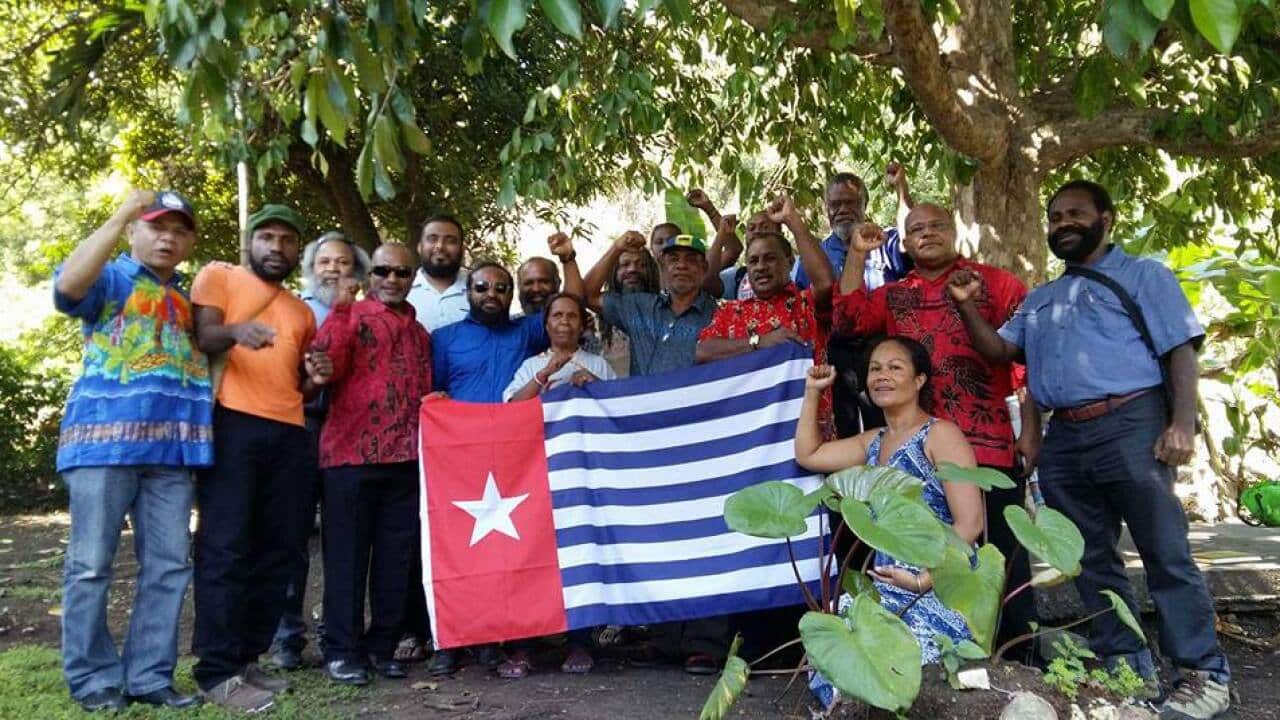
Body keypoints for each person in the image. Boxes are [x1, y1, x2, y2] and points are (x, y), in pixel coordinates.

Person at [951, 180, 1230, 720]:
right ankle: (1128, 669)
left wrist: (1182, 424)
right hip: (1066, 438)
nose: (1063, 224)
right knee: (1088, 560)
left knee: (1164, 551)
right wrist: (966, 307)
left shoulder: (1144, 275)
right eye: (1055, 216)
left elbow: (1180, 350)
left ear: (1107, 219)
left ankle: (1202, 675)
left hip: (1132, 423)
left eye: (1075, 214)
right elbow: (1000, 350)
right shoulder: (1041, 299)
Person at [831, 202, 1040, 660]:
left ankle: (1021, 659)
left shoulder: (997, 283)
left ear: (955, 231)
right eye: (917, 229)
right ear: (905, 243)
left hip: (988, 447)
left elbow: (1028, 358)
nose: (927, 234)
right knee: (932, 557)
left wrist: (1031, 431)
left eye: (937, 225)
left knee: (1001, 556)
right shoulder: (895, 295)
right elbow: (847, 321)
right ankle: (947, 656)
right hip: (918, 456)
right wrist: (857, 254)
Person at [53, 190, 211, 712]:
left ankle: (149, 677)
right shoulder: (112, 278)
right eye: (156, 227)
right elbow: (66, 288)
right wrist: (120, 212)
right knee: (91, 565)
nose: (168, 238)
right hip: (103, 446)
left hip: (171, 454)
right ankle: (94, 678)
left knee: (169, 566)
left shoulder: (185, 297)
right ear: (133, 232)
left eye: (180, 231)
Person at [190, 204, 331, 713]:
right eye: (267, 237)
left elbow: (297, 384)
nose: (277, 247)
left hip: (290, 432)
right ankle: (215, 671)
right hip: (233, 424)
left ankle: (247, 658)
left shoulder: (302, 311)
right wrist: (236, 332)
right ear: (250, 241)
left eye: (287, 240)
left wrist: (316, 378)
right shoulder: (219, 277)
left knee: (280, 551)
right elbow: (204, 335)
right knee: (225, 548)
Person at [426, 235, 582, 675]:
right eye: (482, 287)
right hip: (460, 456)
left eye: (501, 288)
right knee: (461, 547)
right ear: (468, 292)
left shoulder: (525, 330)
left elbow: (573, 301)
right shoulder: (444, 338)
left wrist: (567, 258)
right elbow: (434, 390)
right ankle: (455, 640)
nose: (491, 294)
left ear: (512, 295)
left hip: (518, 455)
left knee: (508, 548)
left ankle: (498, 638)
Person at [793, 337, 984, 664]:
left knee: (899, 662)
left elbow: (971, 524)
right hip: (887, 584)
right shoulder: (874, 441)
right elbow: (809, 455)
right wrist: (813, 391)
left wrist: (923, 580)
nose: (882, 376)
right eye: (875, 369)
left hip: (942, 584)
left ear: (919, 380)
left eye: (895, 368)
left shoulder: (941, 435)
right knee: (838, 648)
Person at [311, 243, 436, 686]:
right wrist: (342, 309)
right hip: (350, 457)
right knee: (346, 560)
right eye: (383, 271)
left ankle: (382, 647)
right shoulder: (353, 316)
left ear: (413, 277)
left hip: (406, 460)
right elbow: (325, 364)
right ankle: (342, 651)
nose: (392, 279)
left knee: (394, 561)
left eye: (402, 272)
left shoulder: (420, 333)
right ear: (370, 275)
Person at [496, 292, 614, 678]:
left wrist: (593, 383)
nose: (564, 322)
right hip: (536, 472)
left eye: (572, 316)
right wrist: (546, 373)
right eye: (557, 315)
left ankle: (580, 642)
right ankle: (524, 646)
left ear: (583, 324)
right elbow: (511, 409)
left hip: (583, 474)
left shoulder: (598, 363)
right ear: (546, 323)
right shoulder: (531, 364)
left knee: (580, 555)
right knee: (531, 554)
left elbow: (617, 408)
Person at [272, 231, 370, 670]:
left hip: (352, 432)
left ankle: (340, 635)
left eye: (343, 262)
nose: (333, 269)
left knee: (345, 538)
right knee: (291, 535)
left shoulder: (369, 315)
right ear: (311, 270)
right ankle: (286, 638)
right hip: (302, 426)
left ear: (358, 271)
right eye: (325, 262)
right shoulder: (294, 311)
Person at [695, 194, 836, 437]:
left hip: (811, 436)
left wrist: (792, 220)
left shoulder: (805, 304)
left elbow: (825, 283)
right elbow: (703, 352)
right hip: (751, 439)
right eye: (753, 261)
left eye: (770, 258)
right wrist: (759, 342)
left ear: (789, 262)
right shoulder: (731, 311)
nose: (760, 267)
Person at [805, 167, 914, 438]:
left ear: (865, 205)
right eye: (835, 204)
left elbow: (909, 238)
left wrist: (901, 188)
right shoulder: (815, 254)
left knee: (889, 431)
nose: (842, 210)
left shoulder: (885, 240)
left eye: (850, 203)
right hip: (835, 356)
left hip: (884, 352)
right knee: (843, 434)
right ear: (826, 209)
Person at [584, 231, 717, 377]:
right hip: (641, 393)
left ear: (704, 268)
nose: (681, 265)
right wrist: (616, 248)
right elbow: (588, 296)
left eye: (690, 260)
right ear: (663, 267)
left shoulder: (718, 316)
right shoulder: (640, 306)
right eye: (673, 259)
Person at [597, 241, 661, 377]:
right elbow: (586, 295)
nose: (632, 269)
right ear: (613, 272)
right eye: (625, 264)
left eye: (641, 265)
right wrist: (616, 247)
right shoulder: (600, 316)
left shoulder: (665, 308)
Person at [408, 214, 469, 332]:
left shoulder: (480, 290)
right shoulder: (403, 291)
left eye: (450, 241)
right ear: (420, 247)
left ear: (462, 249)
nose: (440, 246)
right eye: (432, 239)